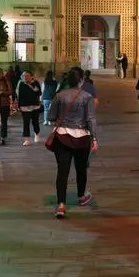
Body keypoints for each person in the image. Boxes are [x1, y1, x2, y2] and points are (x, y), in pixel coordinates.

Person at [47, 69, 99, 219]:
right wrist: (94, 138)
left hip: (62, 137)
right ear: (81, 80)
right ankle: (82, 196)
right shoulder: (87, 97)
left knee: (62, 171)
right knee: (81, 169)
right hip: (82, 138)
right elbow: (90, 119)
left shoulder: (59, 96)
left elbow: (51, 116)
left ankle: (61, 205)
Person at [14, 71, 42, 146]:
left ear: (32, 76)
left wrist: (32, 85)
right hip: (24, 106)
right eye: (24, 76)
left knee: (35, 121)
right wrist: (18, 106)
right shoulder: (21, 84)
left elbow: (39, 93)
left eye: (27, 75)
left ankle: (37, 134)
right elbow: (18, 95)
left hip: (35, 106)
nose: (25, 77)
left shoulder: (35, 83)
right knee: (26, 123)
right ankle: (27, 139)